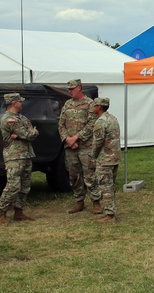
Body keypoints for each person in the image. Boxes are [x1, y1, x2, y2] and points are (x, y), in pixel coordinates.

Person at [58, 79, 100, 214]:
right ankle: (79, 201)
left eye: (72, 89)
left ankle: (96, 202)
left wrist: (77, 138)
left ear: (79, 88)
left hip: (85, 146)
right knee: (73, 175)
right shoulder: (67, 104)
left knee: (90, 175)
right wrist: (67, 139)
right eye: (68, 89)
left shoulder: (89, 104)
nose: (70, 91)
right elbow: (61, 124)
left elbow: (92, 124)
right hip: (70, 147)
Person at [0, 93, 39, 225]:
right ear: (14, 103)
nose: (22, 103)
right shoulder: (8, 119)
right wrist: (31, 132)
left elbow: (29, 133)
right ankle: (2, 213)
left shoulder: (22, 118)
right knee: (13, 186)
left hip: (26, 155)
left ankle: (18, 212)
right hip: (14, 157)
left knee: (25, 186)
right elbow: (28, 133)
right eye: (20, 101)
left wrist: (24, 134)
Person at [90, 97, 121, 223]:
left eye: (94, 105)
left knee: (105, 187)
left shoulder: (100, 122)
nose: (93, 107)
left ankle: (110, 215)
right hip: (114, 157)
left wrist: (93, 155)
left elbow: (98, 142)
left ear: (99, 107)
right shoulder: (113, 119)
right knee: (110, 186)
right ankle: (110, 211)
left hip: (105, 159)